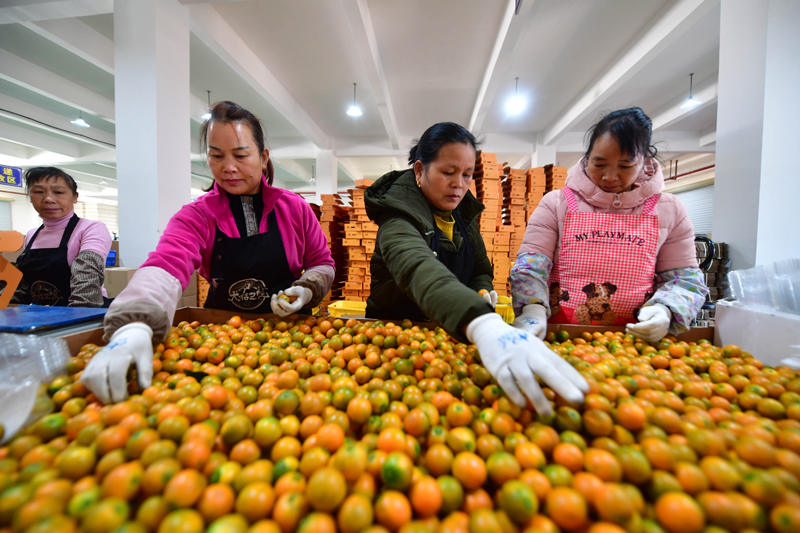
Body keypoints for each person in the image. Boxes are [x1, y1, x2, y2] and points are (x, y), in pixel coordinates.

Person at [81, 101, 335, 404]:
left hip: (292, 337)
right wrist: (135, 321)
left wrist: (308, 289)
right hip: (222, 340)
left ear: (264, 157)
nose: (228, 167)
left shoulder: (294, 208)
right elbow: (166, 265)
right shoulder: (197, 216)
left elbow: (322, 262)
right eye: (216, 156)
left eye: (240, 155)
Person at [365, 122, 587, 414]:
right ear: (420, 170)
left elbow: (480, 268)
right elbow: (416, 266)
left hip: (452, 338)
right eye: (448, 172)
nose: (459, 183)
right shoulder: (397, 220)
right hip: (394, 343)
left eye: (467, 174)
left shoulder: (462, 217)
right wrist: (481, 321)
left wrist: (480, 290)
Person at [511, 107, 709, 342]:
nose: (610, 176)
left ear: (644, 161)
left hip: (635, 342)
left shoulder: (669, 209)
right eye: (599, 164)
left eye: (625, 166)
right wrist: (532, 308)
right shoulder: (557, 203)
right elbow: (530, 267)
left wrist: (666, 309)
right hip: (561, 336)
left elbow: (684, 280)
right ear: (587, 157)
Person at [12, 167, 111, 307]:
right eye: (39, 192)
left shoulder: (91, 228)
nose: (48, 199)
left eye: (58, 192)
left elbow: (87, 276)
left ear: (75, 197)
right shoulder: (31, 234)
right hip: (41, 314)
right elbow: (24, 285)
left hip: (85, 310)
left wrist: (78, 317)